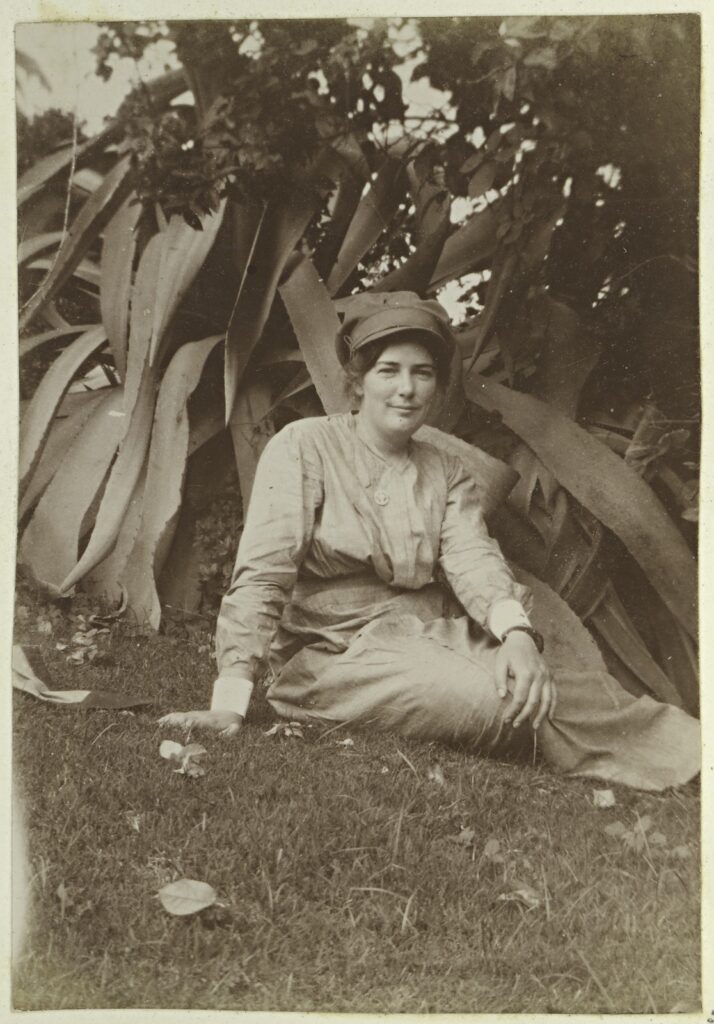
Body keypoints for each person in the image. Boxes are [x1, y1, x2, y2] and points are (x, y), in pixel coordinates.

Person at [160, 291, 699, 791]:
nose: (406, 388)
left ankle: (694, 754)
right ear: (358, 382)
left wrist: (515, 635)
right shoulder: (304, 446)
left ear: (438, 388)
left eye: (422, 373)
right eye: (388, 371)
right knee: (492, 696)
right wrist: (230, 700)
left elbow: (473, 558)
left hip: (431, 634)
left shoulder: (446, 471)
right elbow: (264, 571)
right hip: (332, 656)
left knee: (570, 684)